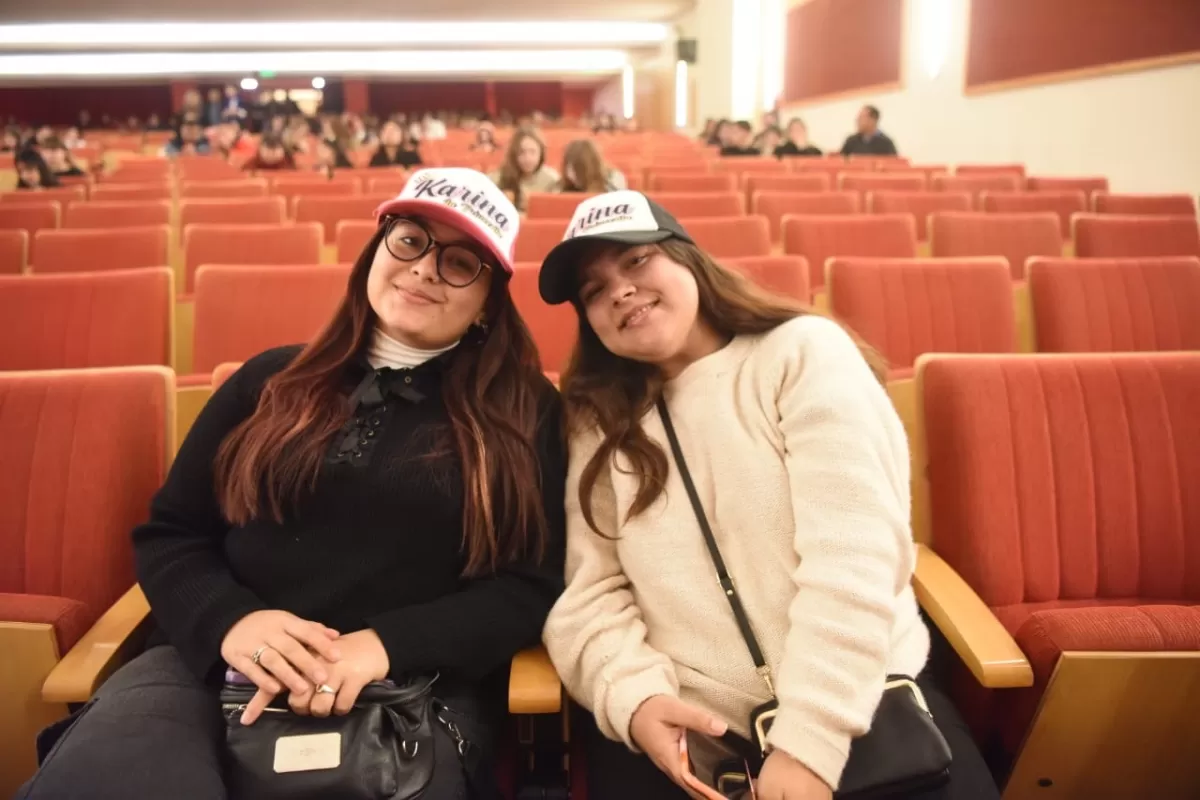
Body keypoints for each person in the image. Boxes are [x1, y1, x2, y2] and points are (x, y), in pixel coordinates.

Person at [16, 168, 567, 799]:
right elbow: (170, 535)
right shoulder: (268, 379)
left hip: (411, 683)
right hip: (208, 666)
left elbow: (530, 584)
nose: (423, 270)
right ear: (377, 252)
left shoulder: (524, 412)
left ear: (489, 303)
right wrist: (233, 623)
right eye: (411, 241)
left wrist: (384, 645)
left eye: (460, 262)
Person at [537, 191, 1002, 800]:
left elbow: (854, 556)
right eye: (592, 291)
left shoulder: (801, 352)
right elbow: (589, 594)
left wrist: (808, 744)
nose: (618, 290)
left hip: (862, 707)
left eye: (636, 261)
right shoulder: (597, 422)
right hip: (694, 739)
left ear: (689, 261)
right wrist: (635, 699)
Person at [488, 129, 559, 213]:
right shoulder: (499, 177)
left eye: (532, 152)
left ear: (541, 153)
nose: (528, 158)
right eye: (522, 152)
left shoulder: (552, 179)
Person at [557, 140, 626, 193]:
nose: (570, 175)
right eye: (568, 168)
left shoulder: (612, 181)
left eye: (577, 169)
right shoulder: (560, 187)